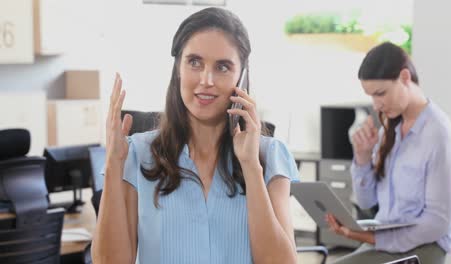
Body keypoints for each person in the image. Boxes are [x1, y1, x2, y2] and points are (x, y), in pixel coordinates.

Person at [91, 7, 298, 264]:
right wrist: (113, 166)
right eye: (195, 62)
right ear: (178, 68)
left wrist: (251, 168)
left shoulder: (270, 155)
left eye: (222, 67)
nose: (206, 80)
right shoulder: (136, 153)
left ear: (242, 78)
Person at [326, 42, 451, 264]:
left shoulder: (440, 137)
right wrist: (362, 157)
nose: (377, 105)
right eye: (371, 96)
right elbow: (366, 202)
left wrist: (370, 237)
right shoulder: (389, 132)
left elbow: (436, 224)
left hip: (423, 250)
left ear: (405, 77)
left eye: (381, 93)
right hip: (382, 244)